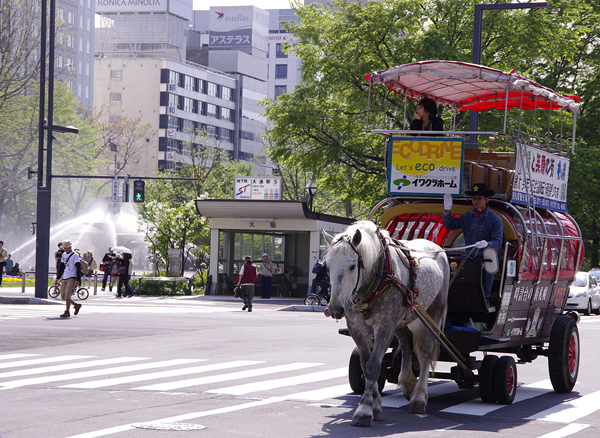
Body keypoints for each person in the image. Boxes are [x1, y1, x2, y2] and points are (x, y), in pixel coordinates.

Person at [442, 183, 504, 298]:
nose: (476, 201)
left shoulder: (495, 219)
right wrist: (447, 210)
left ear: (486, 199)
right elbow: (449, 224)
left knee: (486, 282)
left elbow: (498, 241)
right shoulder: (466, 217)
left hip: (487, 259)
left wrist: (487, 244)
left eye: (479, 198)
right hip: (470, 258)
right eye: (474, 198)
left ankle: (486, 297)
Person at [54, 240, 82, 318]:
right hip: (65, 276)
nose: (65, 249)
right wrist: (58, 277)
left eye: (67, 247)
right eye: (64, 248)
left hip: (72, 276)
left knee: (68, 294)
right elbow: (62, 267)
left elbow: (78, 267)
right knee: (63, 295)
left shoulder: (75, 255)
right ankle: (76, 305)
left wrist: (78, 280)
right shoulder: (63, 255)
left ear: (70, 247)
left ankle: (67, 311)